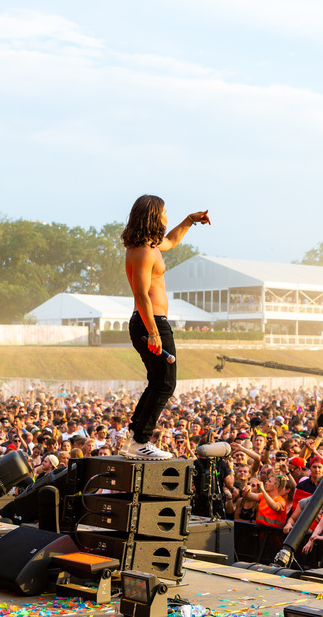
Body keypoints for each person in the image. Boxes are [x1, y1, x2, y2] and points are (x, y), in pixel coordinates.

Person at [122, 195, 210, 460]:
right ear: (153, 215)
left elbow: (170, 241)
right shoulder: (143, 251)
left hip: (153, 323)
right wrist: (153, 331)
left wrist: (189, 221)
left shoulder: (150, 245)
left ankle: (136, 438)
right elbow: (141, 294)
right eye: (164, 212)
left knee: (159, 382)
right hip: (150, 323)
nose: (167, 216)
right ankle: (139, 441)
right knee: (165, 384)